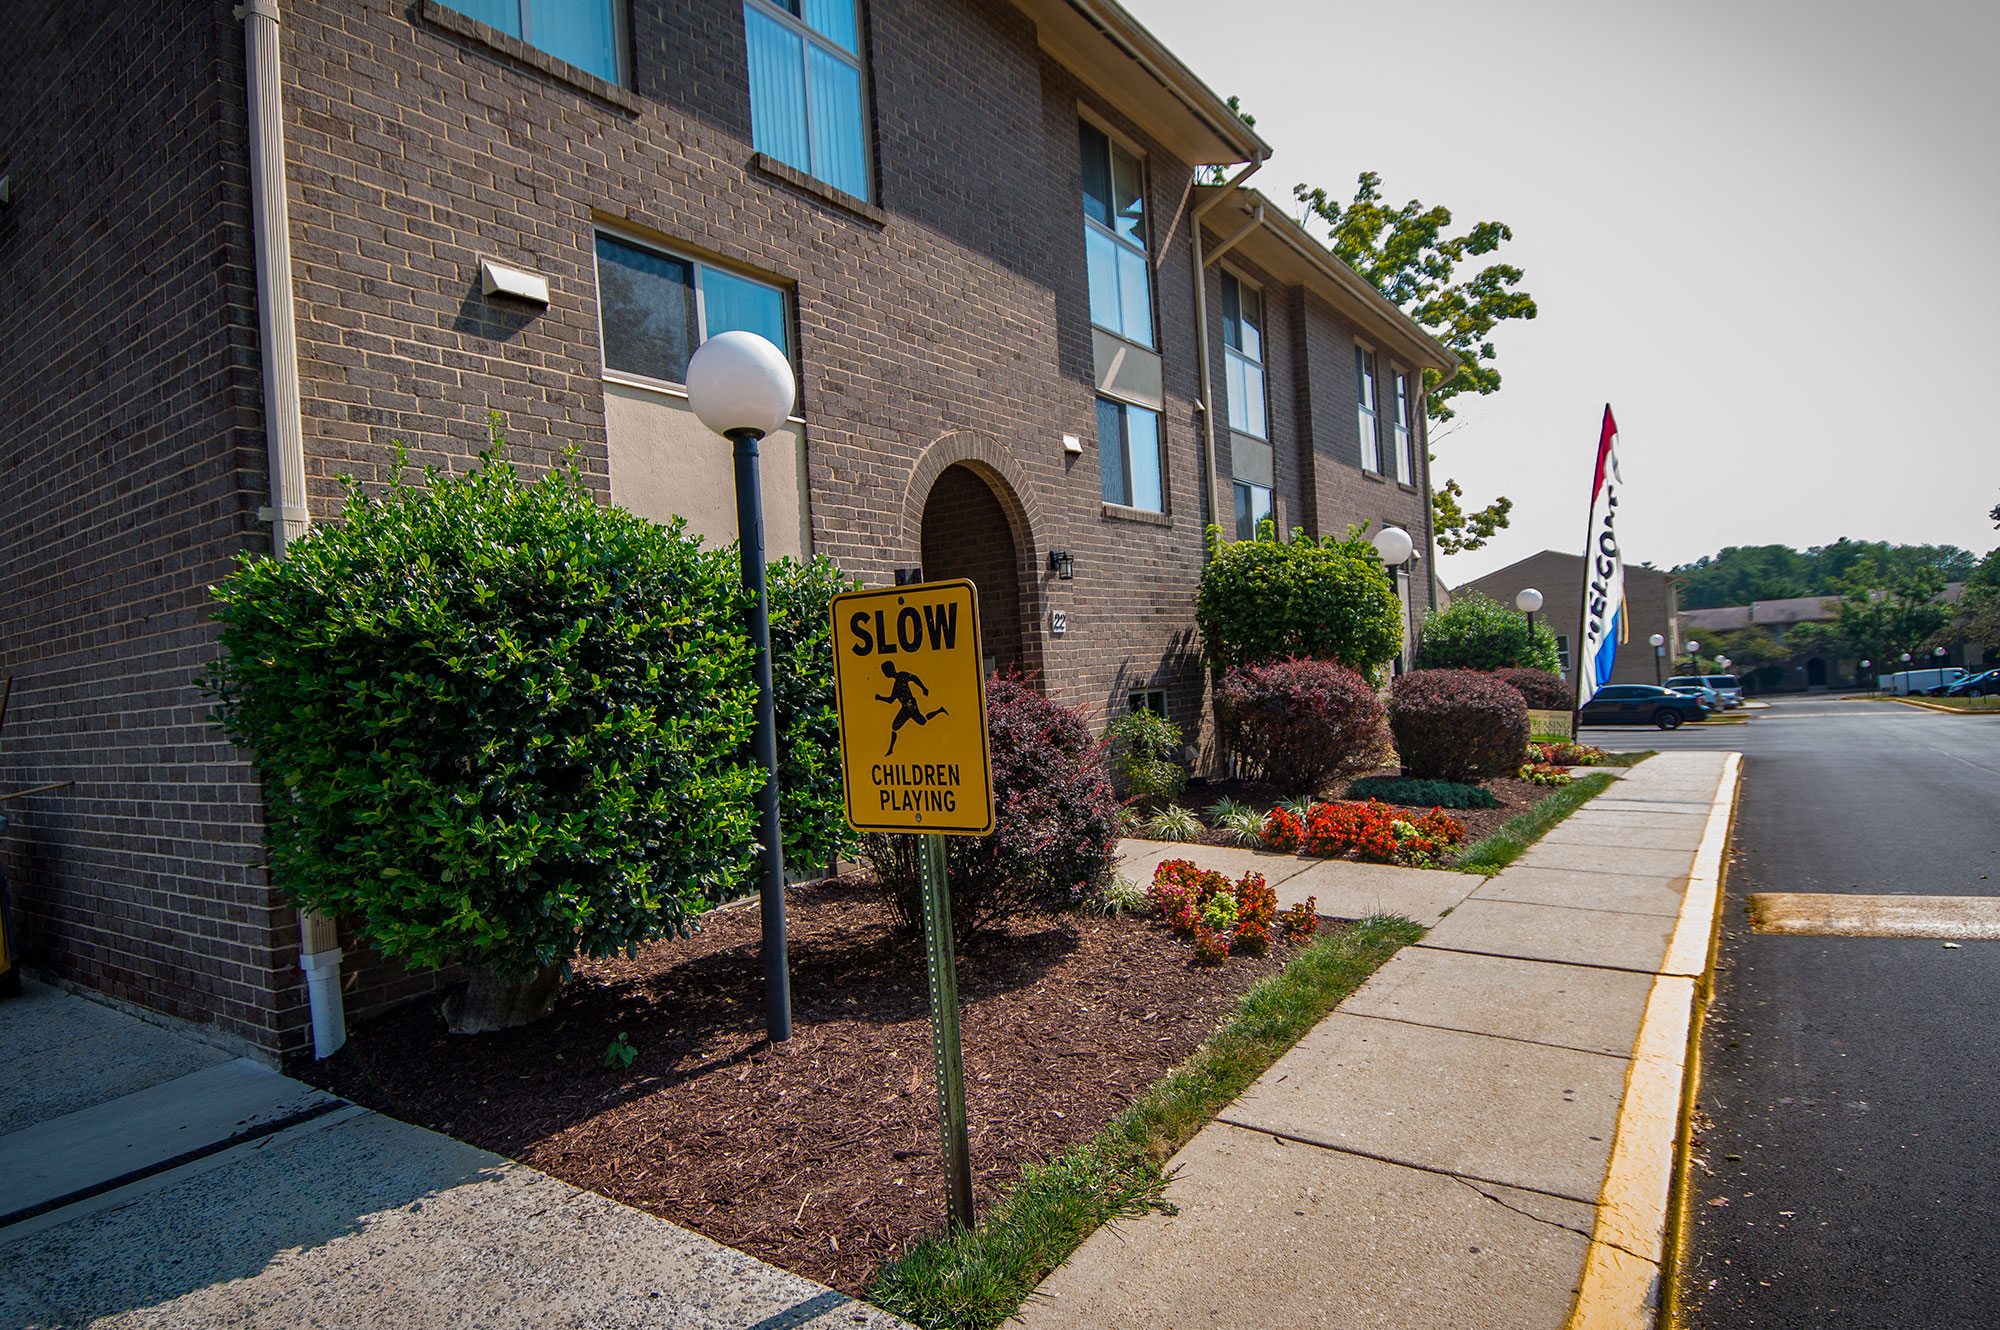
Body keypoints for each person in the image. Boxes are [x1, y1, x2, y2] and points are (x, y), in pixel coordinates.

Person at [877, 660, 947, 755]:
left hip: (909, 705)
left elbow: (914, 678)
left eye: (885, 671)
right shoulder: (897, 683)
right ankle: (940, 710)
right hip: (908, 705)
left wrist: (923, 688)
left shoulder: (901, 676)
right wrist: (880, 698)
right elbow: (891, 700)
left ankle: (891, 749)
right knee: (922, 721)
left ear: (888, 671)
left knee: (896, 726)